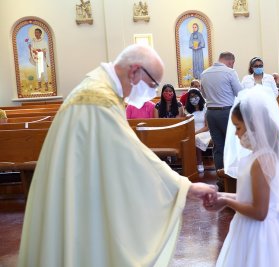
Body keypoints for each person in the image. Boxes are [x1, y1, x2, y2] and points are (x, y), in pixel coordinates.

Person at [17, 44, 217, 267]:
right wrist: (184, 186)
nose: (152, 93)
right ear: (134, 71)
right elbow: (132, 154)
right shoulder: (98, 99)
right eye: (152, 85)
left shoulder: (97, 88)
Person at [205, 88, 279, 267]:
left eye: (238, 127)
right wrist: (223, 196)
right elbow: (248, 198)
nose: (236, 133)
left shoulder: (262, 161)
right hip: (248, 226)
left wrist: (227, 202)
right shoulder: (254, 157)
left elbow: (259, 212)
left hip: (261, 234)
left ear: (253, 126)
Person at [200, 52, 242, 191]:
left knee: (218, 147)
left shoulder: (205, 73)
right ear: (231, 62)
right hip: (226, 112)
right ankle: (232, 179)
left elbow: (204, 94)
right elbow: (239, 93)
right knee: (231, 145)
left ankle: (221, 180)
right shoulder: (230, 72)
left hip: (211, 113)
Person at [185, 88, 211, 173]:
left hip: (204, 131)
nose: (193, 98)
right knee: (190, 138)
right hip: (191, 132)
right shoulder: (187, 110)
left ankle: (199, 162)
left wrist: (196, 132)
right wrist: (192, 132)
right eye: (191, 97)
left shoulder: (205, 108)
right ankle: (190, 163)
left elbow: (207, 127)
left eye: (195, 96)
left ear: (199, 96)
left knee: (196, 137)